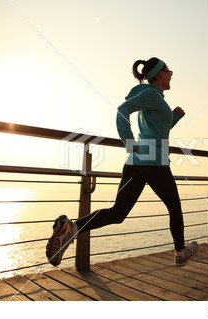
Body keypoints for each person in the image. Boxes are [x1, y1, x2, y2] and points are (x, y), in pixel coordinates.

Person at [46, 57, 198, 268]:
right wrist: (129, 142)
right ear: (161, 74)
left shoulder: (155, 98)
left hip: (138, 162)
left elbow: (159, 128)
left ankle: (71, 228)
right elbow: (122, 110)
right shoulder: (152, 94)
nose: (171, 75)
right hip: (153, 162)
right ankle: (181, 253)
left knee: (118, 213)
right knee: (174, 207)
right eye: (169, 71)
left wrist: (174, 117)